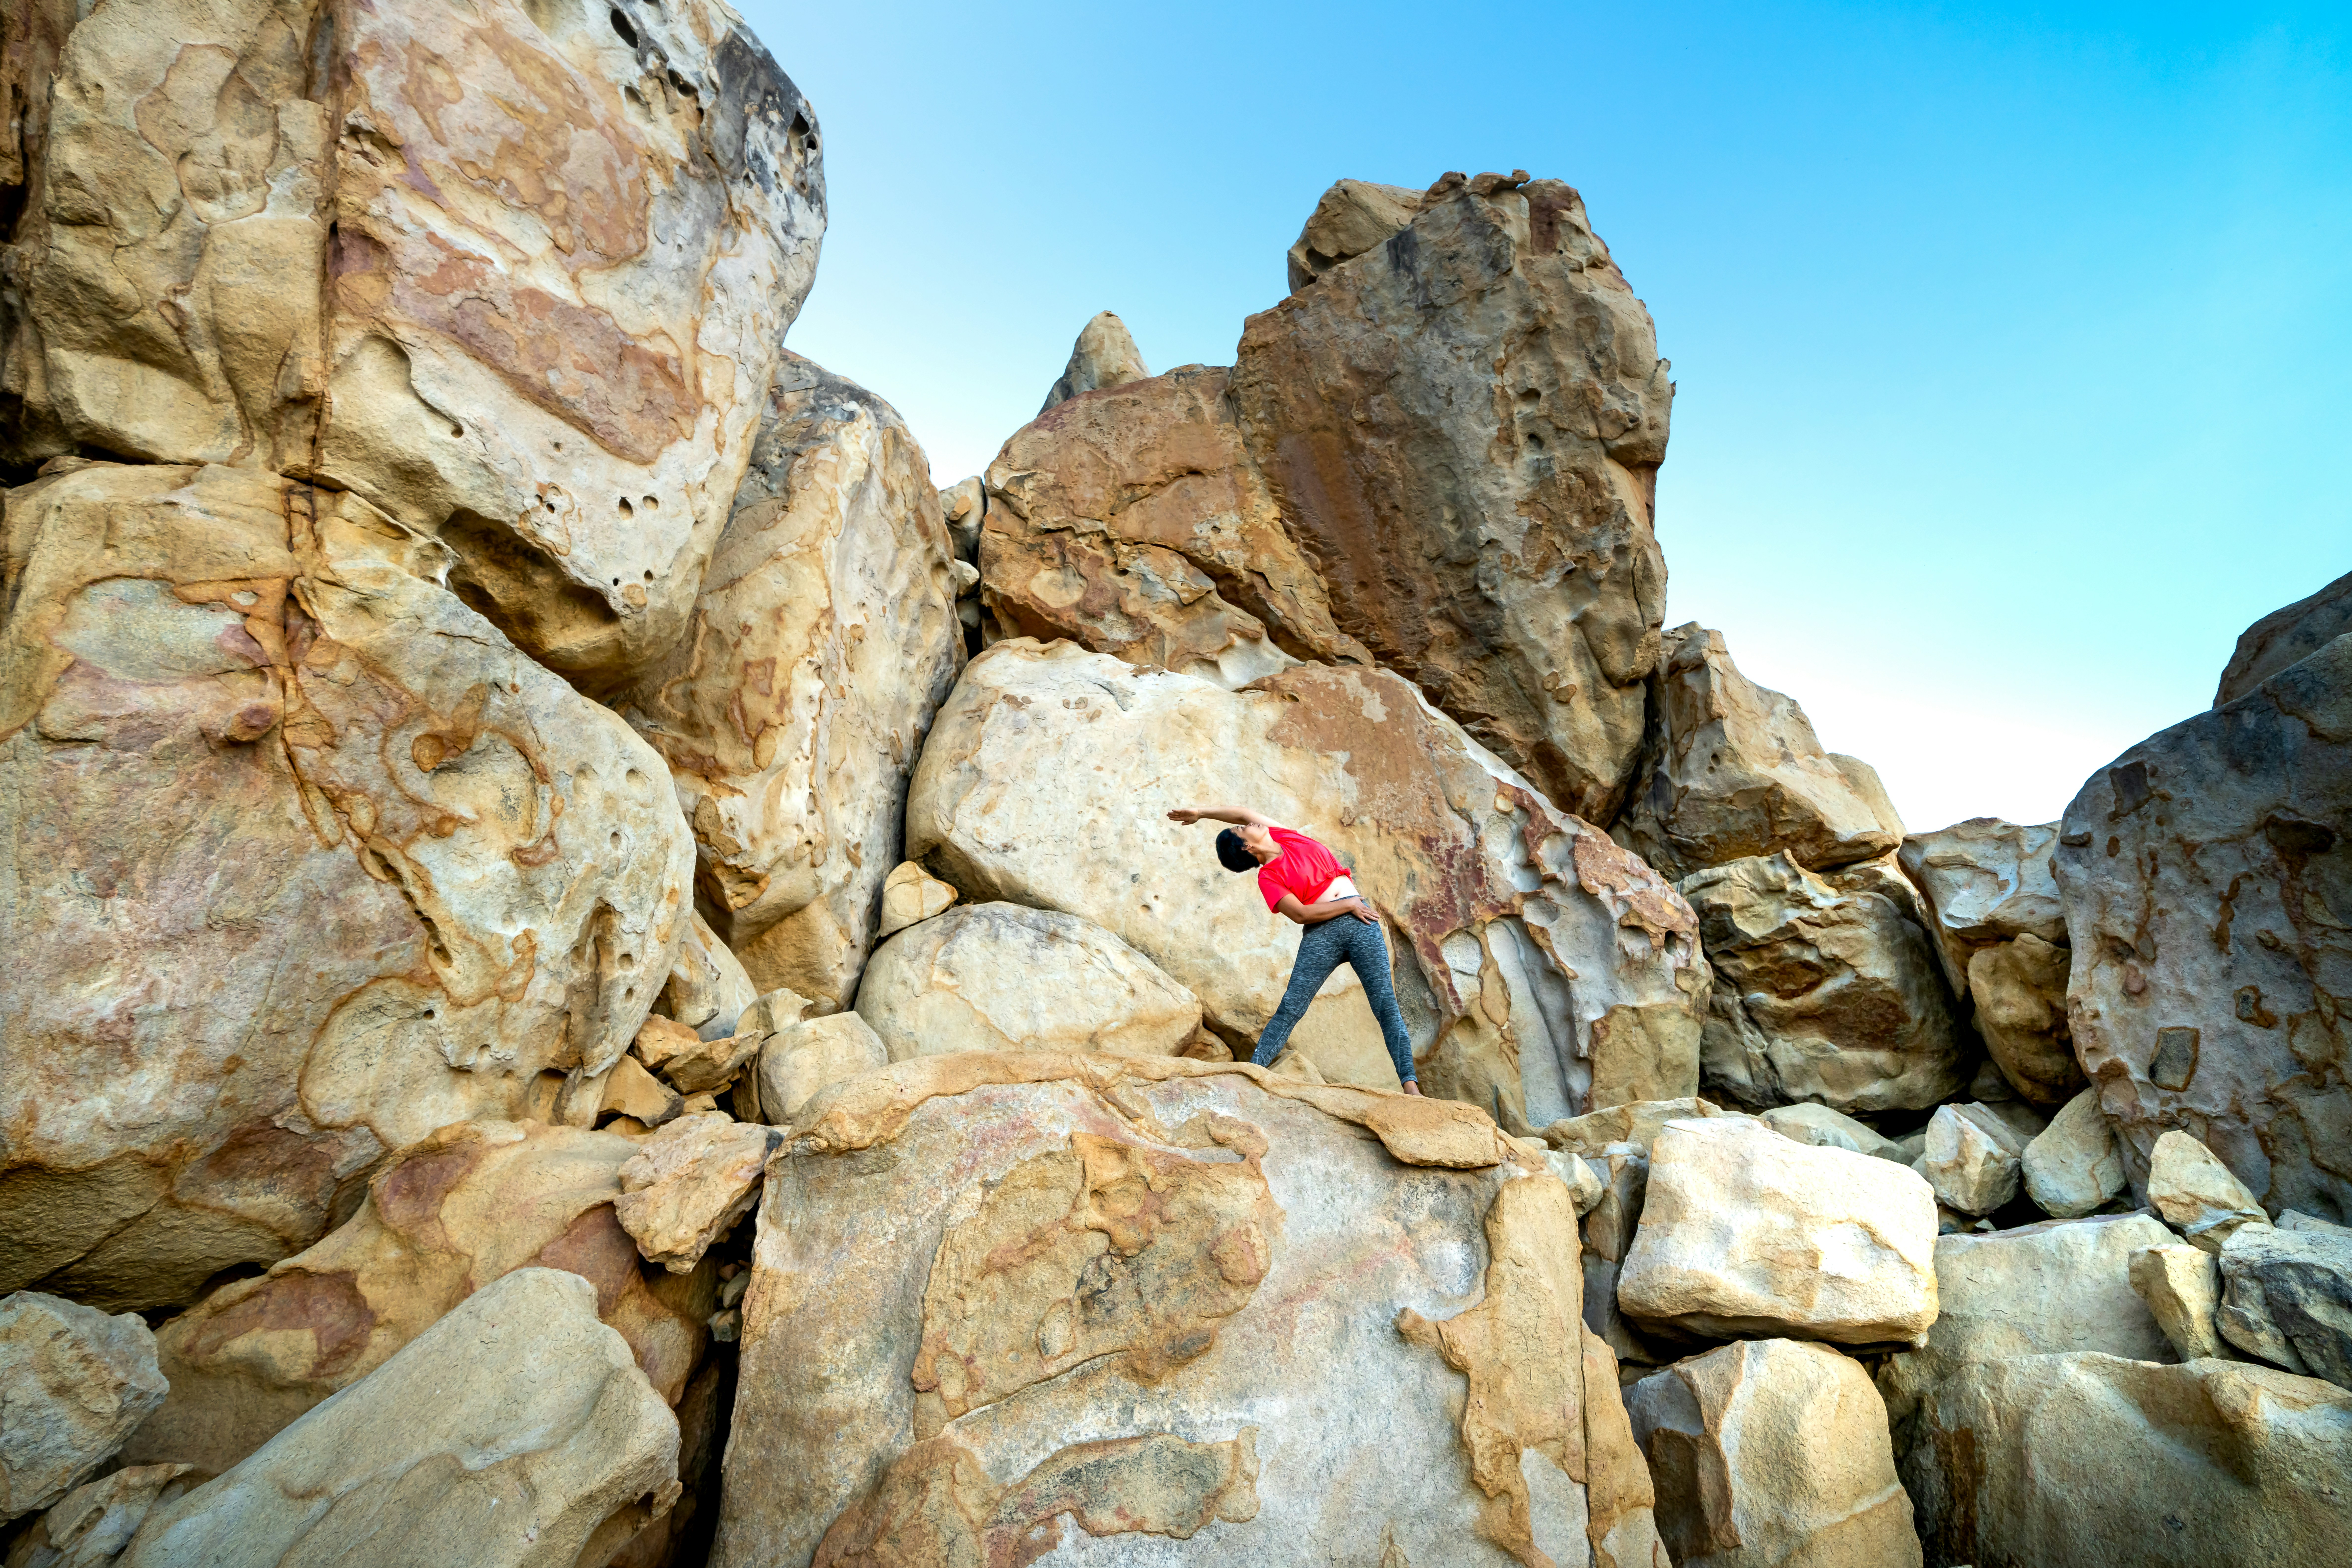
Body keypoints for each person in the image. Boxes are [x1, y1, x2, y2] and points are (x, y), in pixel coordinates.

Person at [1166, 805, 1421, 1094]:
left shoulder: (1285, 837)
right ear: (1247, 846)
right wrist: (1348, 904)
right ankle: (1252, 1074)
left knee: (1386, 1005)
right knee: (1291, 1007)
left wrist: (1201, 813)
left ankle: (1411, 1088)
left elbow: (1242, 813)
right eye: (1242, 829)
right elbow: (1301, 914)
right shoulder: (1268, 878)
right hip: (1323, 934)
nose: (1249, 823)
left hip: (1362, 923)